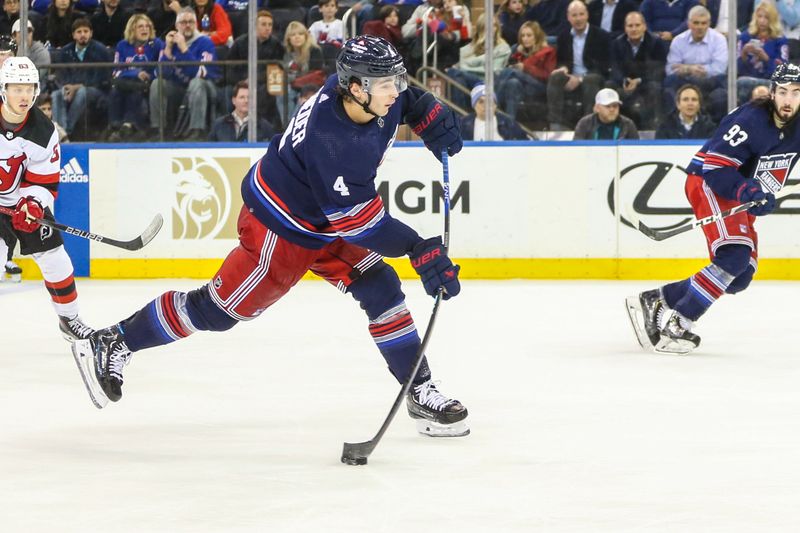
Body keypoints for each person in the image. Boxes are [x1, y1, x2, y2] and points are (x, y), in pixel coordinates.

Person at [71, 35, 469, 439]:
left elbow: (406, 99)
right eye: (387, 84)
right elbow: (363, 226)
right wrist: (418, 249)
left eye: (397, 80)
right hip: (280, 227)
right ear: (355, 89)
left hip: (324, 219)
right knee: (217, 312)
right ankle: (114, 340)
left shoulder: (366, 92)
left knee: (381, 287)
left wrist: (426, 111)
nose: (396, 91)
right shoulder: (332, 143)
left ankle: (418, 389)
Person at [626, 63, 800, 355]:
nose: (788, 100)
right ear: (772, 92)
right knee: (734, 256)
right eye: (782, 91)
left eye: (796, 93)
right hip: (709, 182)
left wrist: (755, 192)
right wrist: (749, 190)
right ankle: (679, 325)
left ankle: (658, 299)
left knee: (739, 276)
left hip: (741, 191)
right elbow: (715, 168)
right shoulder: (750, 120)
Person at [0, 56, 93, 340]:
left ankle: (69, 319)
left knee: (56, 259)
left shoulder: (44, 130)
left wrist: (32, 204)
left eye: (29, 88)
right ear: (4, 89)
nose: (24, 95)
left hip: (19, 204)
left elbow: (44, 181)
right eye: (17, 88)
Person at [148, 7, 219, 141]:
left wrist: (184, 50)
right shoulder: (169, 43)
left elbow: (200, 73)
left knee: (196, 83)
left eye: (191, 22)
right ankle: (159, 130)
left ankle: (196, 131)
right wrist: (168, 50)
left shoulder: (205, 42)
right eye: (183, 22)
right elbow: (159, 74)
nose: (187, 25)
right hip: (179, 88)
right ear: (176, 25)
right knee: (157, 83)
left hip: (206, 88)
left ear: (196, 24)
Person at [547, 0, 611, 130]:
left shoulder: (601, 36)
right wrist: (564, 69)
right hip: (571, 75)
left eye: (581, 14)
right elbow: (562, 60)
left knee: (590, 79)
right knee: (555, 77)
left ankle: (588, 125)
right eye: (574, 15)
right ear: (568, 17)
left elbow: (603, 66)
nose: (578, 19)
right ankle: (556, 125)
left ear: (587, 15)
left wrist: (580, 79)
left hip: (593, 76)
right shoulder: (564, 36)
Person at [51, 18, 113, 139]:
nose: (83, 34)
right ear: (74, 35)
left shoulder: (101, 51)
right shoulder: (65, 51)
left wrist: (78, 86)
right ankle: (60, 132)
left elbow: (103, 78)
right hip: (71, 88)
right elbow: (60, 75)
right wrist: (67, 87)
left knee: (82, 92)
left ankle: (66, 131)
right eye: (79, 32)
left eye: (86, 31)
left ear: (91, 33)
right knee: (56, 94)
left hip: (96, 90)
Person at [663, 5, 728, 121]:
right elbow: (670, 69)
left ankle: (715, 131)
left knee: (721, 92)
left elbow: (719, 68)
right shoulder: (678, 40)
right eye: (696, 23)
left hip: (710, 82)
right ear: (689, 23)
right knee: (669, 83)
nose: (700, 27)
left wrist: (686, 68)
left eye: (703, 23)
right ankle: (675, 126)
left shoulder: (719, 40)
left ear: (709, 23)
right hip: (685, 82)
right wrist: (691, 69)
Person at [108, 13, 164, 141]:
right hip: (126, 83)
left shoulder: (157, 44)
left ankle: (129, 126)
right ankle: (114, 126)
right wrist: (135, 73)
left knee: (135, 92)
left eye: (147, 26)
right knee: (115, 91)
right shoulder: (122, 45)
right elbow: (116, 71)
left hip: (146, 84)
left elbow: (161, 66)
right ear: (132, 29)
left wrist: (148, 76)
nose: (145, 29)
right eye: (140, 27)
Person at [609, 11, 668, 129]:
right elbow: (614, 67)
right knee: (609, 86)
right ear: (625, 28)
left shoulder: (656, 43)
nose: (634, 29)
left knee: (654, 87)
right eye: (630, 26)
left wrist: (639, 81)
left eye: (637, 25)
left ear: (644, 26)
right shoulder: (617, 43)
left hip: (646, 82)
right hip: (625, 83)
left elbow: (658, 70)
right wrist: (624, 80)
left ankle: (654, 128)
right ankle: (612, 127)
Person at [495, 20, 554, 121]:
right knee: (512, 83)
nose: (525, 39)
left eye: (529, 35)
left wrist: (526, 68)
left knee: (511, 72)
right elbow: (511, 64)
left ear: (536, 36)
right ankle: (509, 124)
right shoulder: (519, 51)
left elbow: (547, 75)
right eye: (523, 36)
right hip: (522, 86)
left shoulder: (547, 51)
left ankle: (494, 104)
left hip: (539, 86)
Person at [736, 1, 788, 105]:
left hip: (769, 81)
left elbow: (782, 72)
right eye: (759, 16)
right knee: (741, 83)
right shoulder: (745, 37)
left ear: (772, 20)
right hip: (746, 80)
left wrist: (766, 58)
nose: (762, 21)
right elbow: (736, 70)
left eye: (766, 17)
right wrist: (744, 54)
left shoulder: (780, 40)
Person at [207, 80, 274, 141]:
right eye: (242, 97)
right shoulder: (219, 125)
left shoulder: (265, 127)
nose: (246, 101)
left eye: (249, 97)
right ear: (233, 100)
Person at [460, 83, 528, 140]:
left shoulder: (509, 123)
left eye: (489, 101)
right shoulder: (462, 124)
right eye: (481, 102)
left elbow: (525, 145)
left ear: (495, 105)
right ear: (474, 105)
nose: (486, 105)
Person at [573, 87, 639, 139]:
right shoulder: (585, 123)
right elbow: (577, 150)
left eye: (615, 106)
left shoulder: (627, 125)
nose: (612, 109)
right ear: (597, 108)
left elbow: (635, 151)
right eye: (607, 106)